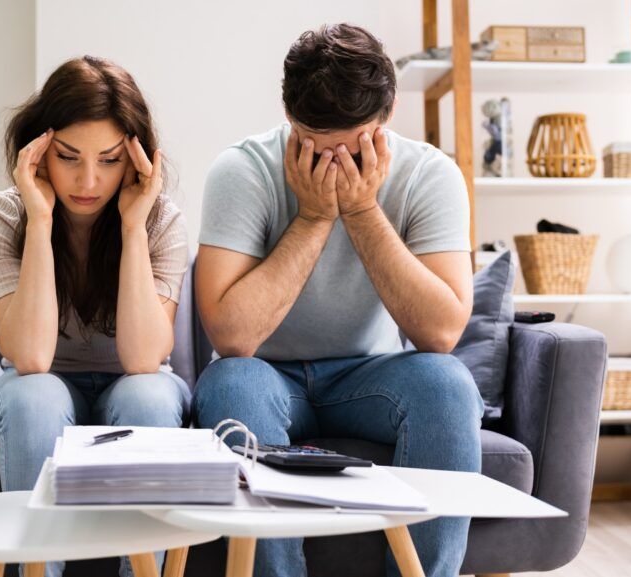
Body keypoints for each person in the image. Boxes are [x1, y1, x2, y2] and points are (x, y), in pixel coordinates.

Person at [193, 23, 484, 577]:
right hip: (265, 374)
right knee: (230, 381)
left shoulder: (429, 174)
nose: (332, 164)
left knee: (448, 384)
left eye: (350, 146)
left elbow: (440, 333)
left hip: (370, 377)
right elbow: (232, 336)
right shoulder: (243, 170)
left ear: (388, 112)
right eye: (312, 142)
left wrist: (363, 210)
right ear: (287, 111)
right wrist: (313, 216)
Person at [0, 56, 190, 577]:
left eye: (110, 160)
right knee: (33, 394)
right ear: (38, 150)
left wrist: (134, 228)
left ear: (136, 159)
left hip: (132, 384)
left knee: (150, 395)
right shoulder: (1, 218)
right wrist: (42, 221)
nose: (88, 180)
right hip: (35, 385)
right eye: (68, 157)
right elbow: (28, 357)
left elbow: (143, 360)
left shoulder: (161, 222)